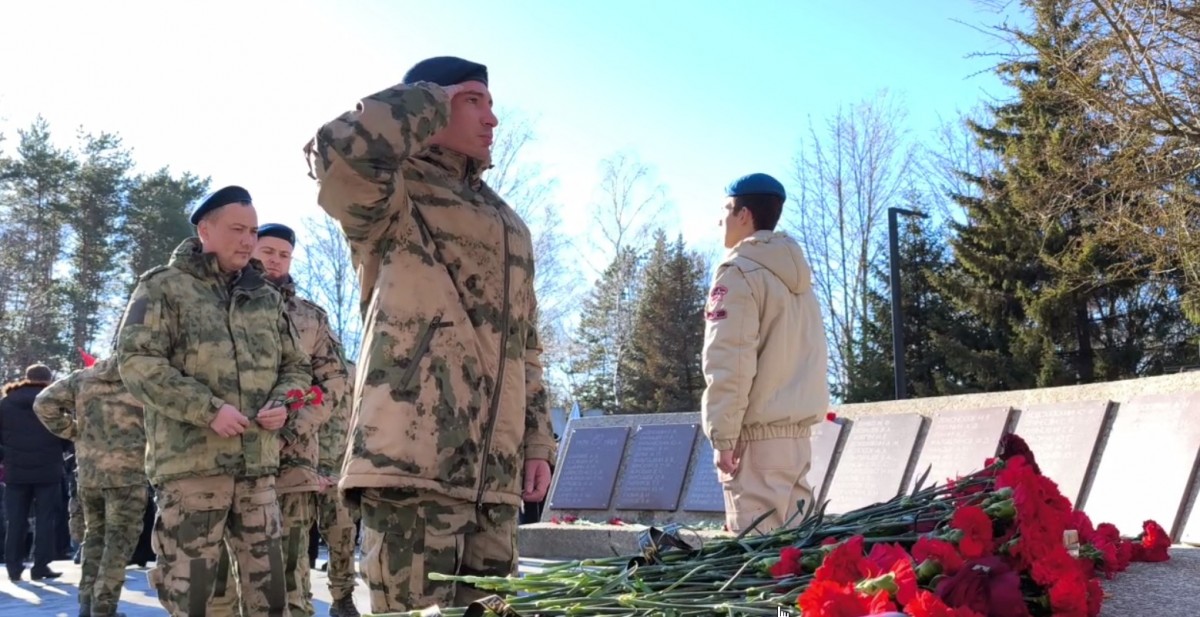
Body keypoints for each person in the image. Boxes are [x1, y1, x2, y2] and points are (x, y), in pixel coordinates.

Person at [304, 55, 556, 613]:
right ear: (432, 104)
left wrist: (538, 441)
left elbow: (526, 346)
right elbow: (338, 149)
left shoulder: (510, 222)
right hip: (412, 463)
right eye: (474, 101)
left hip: (494, 478)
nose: (493, 119)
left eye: (491, 104)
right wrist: (428, 98)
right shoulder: (392, 194)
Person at [116, 185, 312, 617]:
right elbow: (136, 362)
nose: (248, 240)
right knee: (194, 599)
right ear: (205, 229)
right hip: (193, 473)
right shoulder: (165, 287)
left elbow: (298, 367)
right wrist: (208, 410)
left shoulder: (265, 297)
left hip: (258, 469)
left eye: (253, 230)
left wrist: (285, 401)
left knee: (271, 599)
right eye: (237, 229)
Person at [210, 223, 347, 617]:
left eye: (284, 255)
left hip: (289, 465)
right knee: (219, 580)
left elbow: (333, 382)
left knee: (288, 576)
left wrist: (290, 429)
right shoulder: (213, 301)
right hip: (221, 457)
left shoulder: (310, 318)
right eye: (267, 250)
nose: (274, 260)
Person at [700, 173, 831, 535]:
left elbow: (729, 360)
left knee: (757, 570)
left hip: (756, 446)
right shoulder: (799, 281)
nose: (721, 220)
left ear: (745, 215)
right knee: (793, 564)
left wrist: (723, 436)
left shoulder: (738, 273)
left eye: (727, 210)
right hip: (797, 443)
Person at [34, 356, 148, 617]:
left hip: (90, 473)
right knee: (119, 543)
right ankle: (104, 609)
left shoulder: (82, 377)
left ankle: (87, 604)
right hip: (128, 474)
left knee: (94, 537)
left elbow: (43, 402)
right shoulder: (142, 375)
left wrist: (75, 431)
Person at [0, 364, 68, 581]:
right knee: (45, 519)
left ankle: (13, 566)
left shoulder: (5, 404)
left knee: (16, 520)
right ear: (48, 380)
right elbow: (66, 434)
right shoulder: (53, 402)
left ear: (26, 377)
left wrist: (6, 457)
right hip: (48, 472)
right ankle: (40, 566)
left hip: (15, 472)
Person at [315, 359, 360, 617]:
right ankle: (295, 600)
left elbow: (359, 417)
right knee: (292, 542)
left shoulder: (350, 370)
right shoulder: (296, 366)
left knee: (343, 535)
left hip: (337, 471)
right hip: (298, 468)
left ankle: (343, 599)